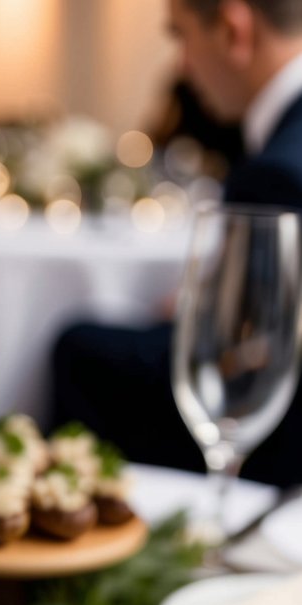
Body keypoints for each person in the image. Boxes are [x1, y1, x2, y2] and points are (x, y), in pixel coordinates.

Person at [49, 0, 302, 487]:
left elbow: (243, 359)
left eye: (180, 35)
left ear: (234, 31)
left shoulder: (279, 174)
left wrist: (196, 319)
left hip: (281, 452)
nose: (181, 65)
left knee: (77, 347)